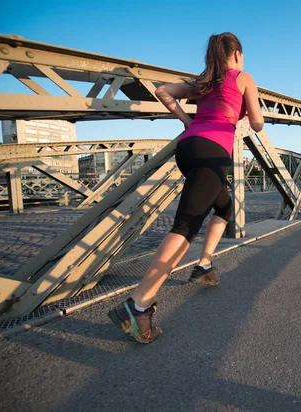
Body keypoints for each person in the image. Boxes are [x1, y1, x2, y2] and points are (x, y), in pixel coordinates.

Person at [108, 32, 264, 343]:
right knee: (184, 228)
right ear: (237, 55)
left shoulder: (204, 81)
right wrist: (246, 114)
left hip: (188, 149)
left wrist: (186, 120)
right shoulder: (243, 77)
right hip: (213, 154)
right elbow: (257, 123)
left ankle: (203, 265)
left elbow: (162, 90)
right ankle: (137, 306)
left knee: (224, 206)